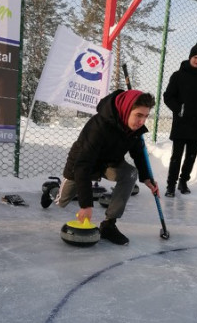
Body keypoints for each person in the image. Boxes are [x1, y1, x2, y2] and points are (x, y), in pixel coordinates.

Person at [41, 89, 159, 245]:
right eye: (138, 115)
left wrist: (146, 178)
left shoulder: (134, 129)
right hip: (80, 164)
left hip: (108, 163)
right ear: (126, 109)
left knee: (130, 174)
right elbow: (83, 166)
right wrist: (86, 205)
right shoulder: (99, 126)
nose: (142, 121)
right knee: (61, 201)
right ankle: (51, 190)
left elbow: (138, 152)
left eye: (146, 116)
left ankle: (109, 224)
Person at [163, 42, 197, 197]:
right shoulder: (178, 75)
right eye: (195, 57)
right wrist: (179, 109)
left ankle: (183, 181)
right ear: (190, 57)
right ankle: (171, 185)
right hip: (181, 123)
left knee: (191, 156)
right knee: (176, 157)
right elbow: (168, 96)